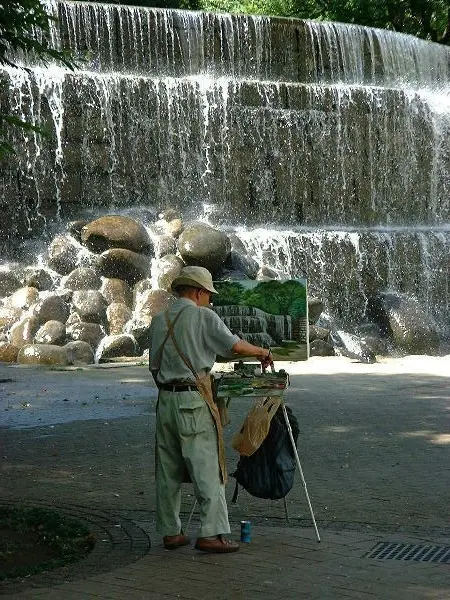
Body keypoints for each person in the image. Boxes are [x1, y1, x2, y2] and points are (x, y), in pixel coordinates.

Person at [148, 265, 273, 554]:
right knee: (208, 467)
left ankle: (171, 532)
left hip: (165, 401)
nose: (210, 300)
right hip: (193, 401)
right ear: (198, 291)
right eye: (209, 295)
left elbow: (154, 367)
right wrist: (262, 352)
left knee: (167, 470)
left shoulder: (159, 320)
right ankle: (211, 534)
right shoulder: (203, 316)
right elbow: (235, 347)